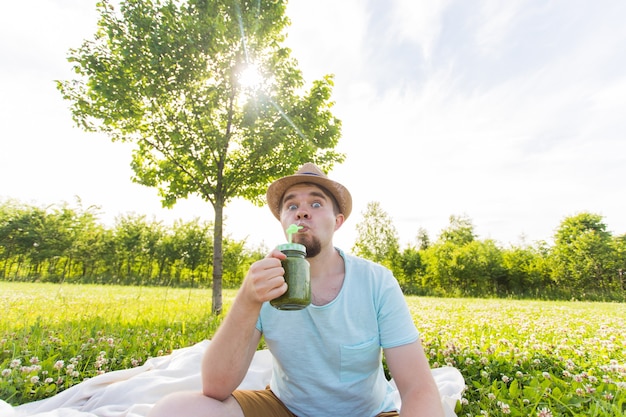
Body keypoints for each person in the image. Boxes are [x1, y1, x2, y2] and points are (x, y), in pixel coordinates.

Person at [148, 163, 445, 417]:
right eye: (292, 206)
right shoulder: (265, 280)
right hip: (285, 409)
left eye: (316, 204)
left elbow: (418, 387)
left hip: (367, 413)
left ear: (337, 221)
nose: (302, 212)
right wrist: (247, 300)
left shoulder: (376, 281)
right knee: (173, 410)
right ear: (283, 221)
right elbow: (215, 387)